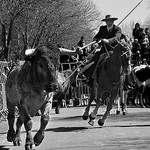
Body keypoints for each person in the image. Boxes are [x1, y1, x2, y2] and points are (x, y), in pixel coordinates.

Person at [79, 14, 122, 87]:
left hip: (113, 51)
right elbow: (96, 37)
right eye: (107, 21)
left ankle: (126, 81)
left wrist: (108, 41)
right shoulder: (102, 28)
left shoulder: (117, 29)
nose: (109, 22)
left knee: (124, 61)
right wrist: (97, 40)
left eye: (110, 20)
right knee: (94, 59)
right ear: (105, 22)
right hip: (103, 51)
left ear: (113, 21)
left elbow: (117, 38)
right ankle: (88, 77)